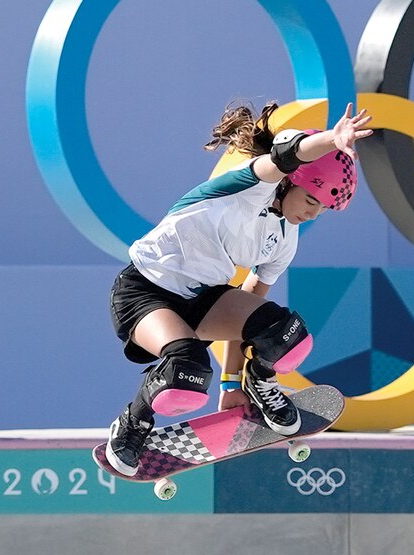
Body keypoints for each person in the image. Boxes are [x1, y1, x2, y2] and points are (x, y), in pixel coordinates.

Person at [105, 101, 373, 476]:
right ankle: (133, 423)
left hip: (201, 299)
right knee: (186, 374)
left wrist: (232, 384)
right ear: (289, 182)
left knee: (287, 336)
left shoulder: (284, 238)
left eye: (323, 209)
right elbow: (287, 152)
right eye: (312, 200)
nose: (313, 213)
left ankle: (260, 386)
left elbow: (248, 312)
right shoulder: (251, 184)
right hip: (144, 291)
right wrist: (333, 139)